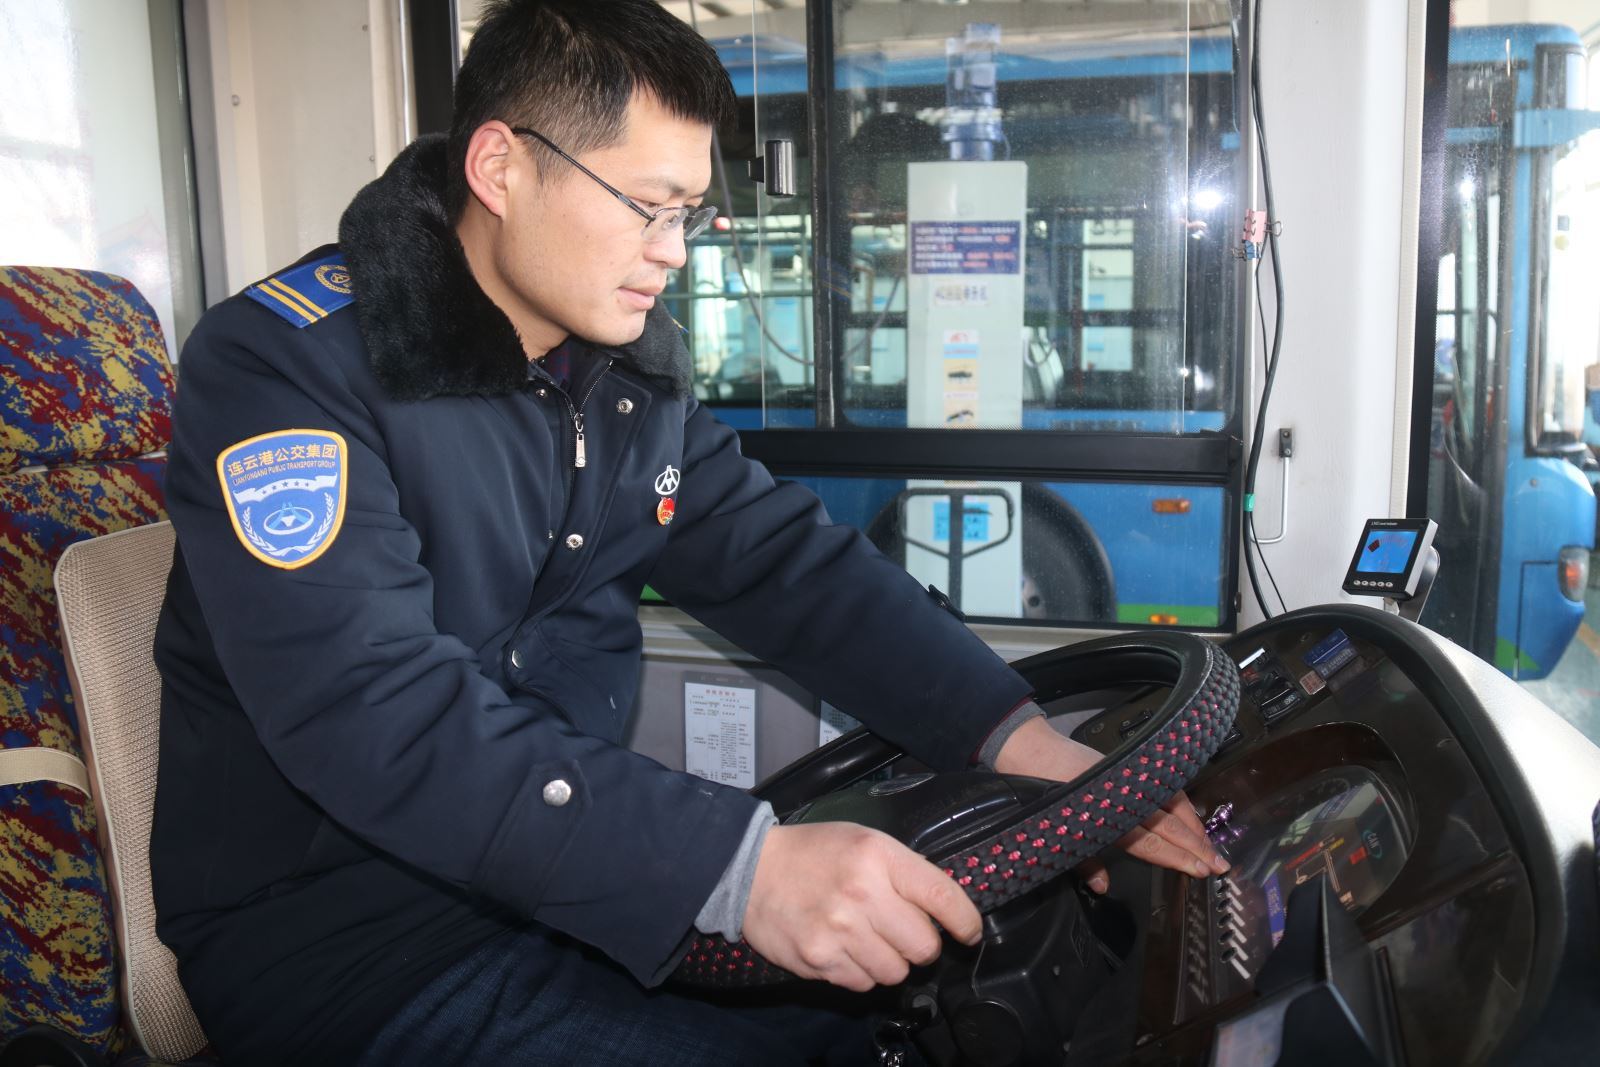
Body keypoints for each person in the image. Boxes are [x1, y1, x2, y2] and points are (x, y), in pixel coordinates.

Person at [149, 2, 1227, 1063]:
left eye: (690, 215)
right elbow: (377, 711)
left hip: (558, 887)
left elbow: (791, 567)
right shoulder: (287, 369)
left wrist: (1020, 738)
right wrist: (740, 869)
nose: (675, 255)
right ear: (500, 167)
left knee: (924, 1010)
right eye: (647, 207)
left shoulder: (619, 380)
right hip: (345, 940)